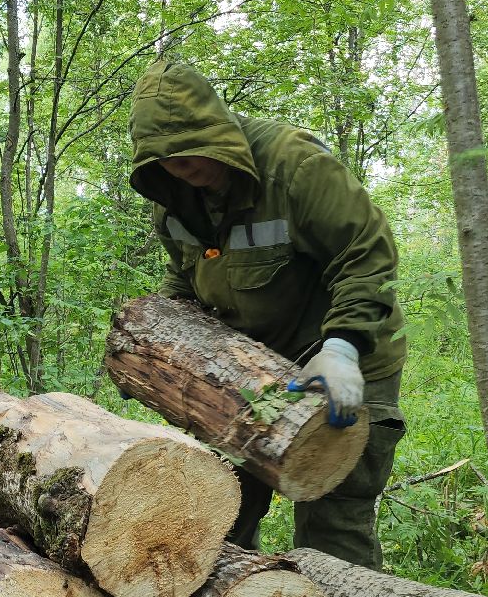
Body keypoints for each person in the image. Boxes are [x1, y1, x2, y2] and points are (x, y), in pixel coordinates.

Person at [127, 57, 406, 569]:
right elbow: (186, 276)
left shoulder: (295, 166)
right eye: (168, 162)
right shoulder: (173, 200)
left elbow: (368, 256)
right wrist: (167, 339)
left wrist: (342, 347)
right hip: (247, 372)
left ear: (217, 130)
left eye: (191, 155)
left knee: (332, 518)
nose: (184, 169)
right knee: (220, 509)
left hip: (345, 352)